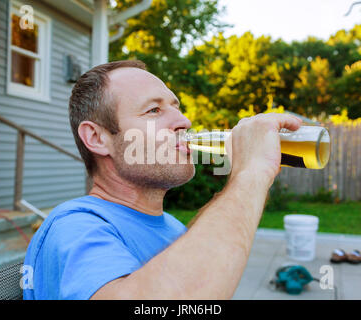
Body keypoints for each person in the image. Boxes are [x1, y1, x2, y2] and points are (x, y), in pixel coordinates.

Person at [23, 60, 302, 300]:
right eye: (154, 110)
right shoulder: (75, 227)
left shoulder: (172, 227)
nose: (184, 121)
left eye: (176, 107)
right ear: (97, 138)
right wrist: (250, 174)